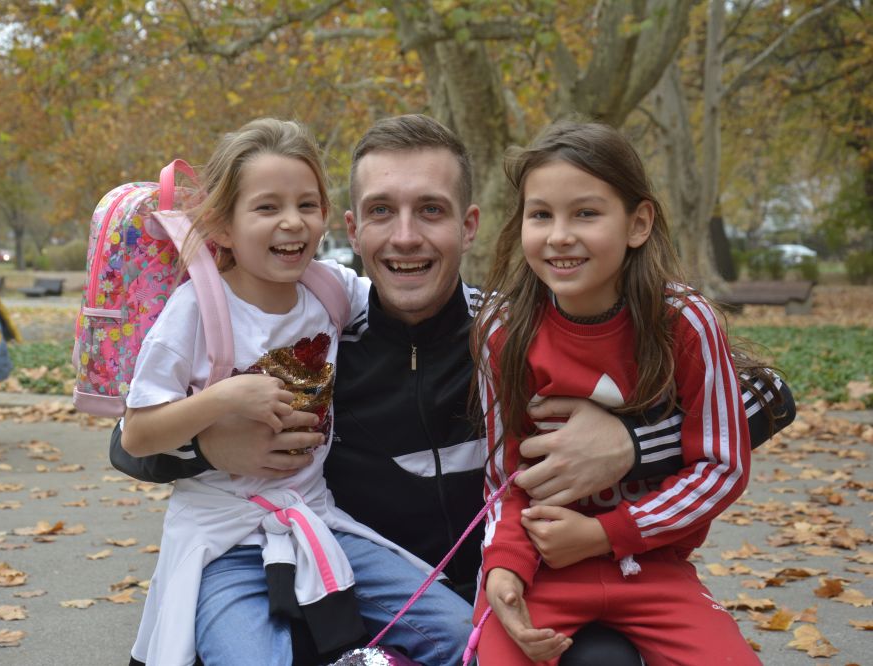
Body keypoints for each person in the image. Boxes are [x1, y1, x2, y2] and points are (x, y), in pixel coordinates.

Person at [110, 114, 793, 665]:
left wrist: (631, 444)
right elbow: (127, 442)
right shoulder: (325, 331)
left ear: (468, 226)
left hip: (515, 588)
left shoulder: (512, 330)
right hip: (351, 594)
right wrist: (207, 446)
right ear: (353, 229)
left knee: (601, 660)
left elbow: (767, 394)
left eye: (430, 210)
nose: (406, 237)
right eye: (382, 211)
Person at [119, 118, 471, 666]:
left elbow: (425, 295)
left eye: (307, 205)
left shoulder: (331, 292)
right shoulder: (193, 312)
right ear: (223, 226)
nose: (291, 221)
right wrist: (222, 404)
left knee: (460, 634)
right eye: (267, 207)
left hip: (320, 525)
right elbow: (135, 434)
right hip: (224, 544)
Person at [472, 120, 768, 665]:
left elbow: (722, 466)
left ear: (638, 223)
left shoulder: (685, 322)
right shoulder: (503, 331)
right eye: (541, 215)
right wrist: (505, 569)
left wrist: (607, 533)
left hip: (654, 568)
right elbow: (504, 479)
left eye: (586, 213)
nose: (560, 235)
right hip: (543, 570)